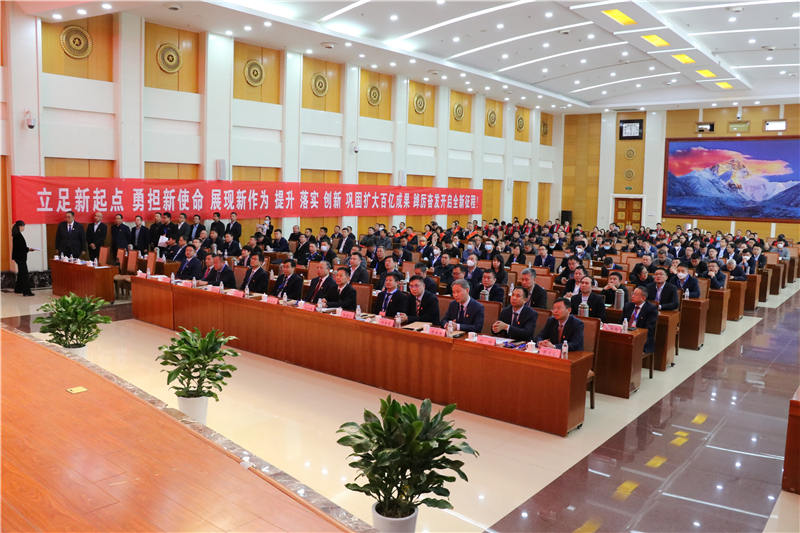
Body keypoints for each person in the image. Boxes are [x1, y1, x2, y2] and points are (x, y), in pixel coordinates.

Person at [622, 287, 658, 354]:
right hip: (626, 334)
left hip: (641, 338)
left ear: (643, 298)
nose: (632, 296)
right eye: (632, 293)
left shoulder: (651, 309)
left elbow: (648, 329)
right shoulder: (628, 306)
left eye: (635, 294)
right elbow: (621, 322)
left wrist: (634, 334)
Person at [11, 221, 34, 296]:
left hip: (18, 257)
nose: (24, 228)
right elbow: (20, 247)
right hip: (20, 257)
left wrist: (27, 249)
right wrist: (28, 249)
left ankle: (18, 289)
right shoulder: (18, 236)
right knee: (24, 274)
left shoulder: (17, 235)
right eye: (23, 226)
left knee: (21, 273)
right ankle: (26, 291)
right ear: (20, 226)